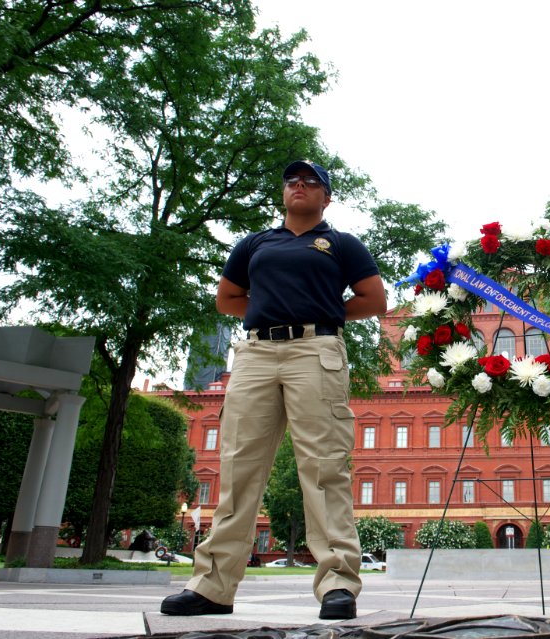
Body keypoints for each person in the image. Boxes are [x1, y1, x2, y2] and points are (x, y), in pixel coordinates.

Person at [161, 159, 387, 620]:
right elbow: (227, 298)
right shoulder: (255, 243)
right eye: (291, 181)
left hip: (315, 350)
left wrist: (319, 309)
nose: (299, 186)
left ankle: (338, 583)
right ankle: (212, 586)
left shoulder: (341, 244)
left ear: (327, 197)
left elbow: (374, 299)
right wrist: (269, 309)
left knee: (324, 466)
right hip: (256, 354)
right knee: (238, 467)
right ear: (283, 193)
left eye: (311, 182)